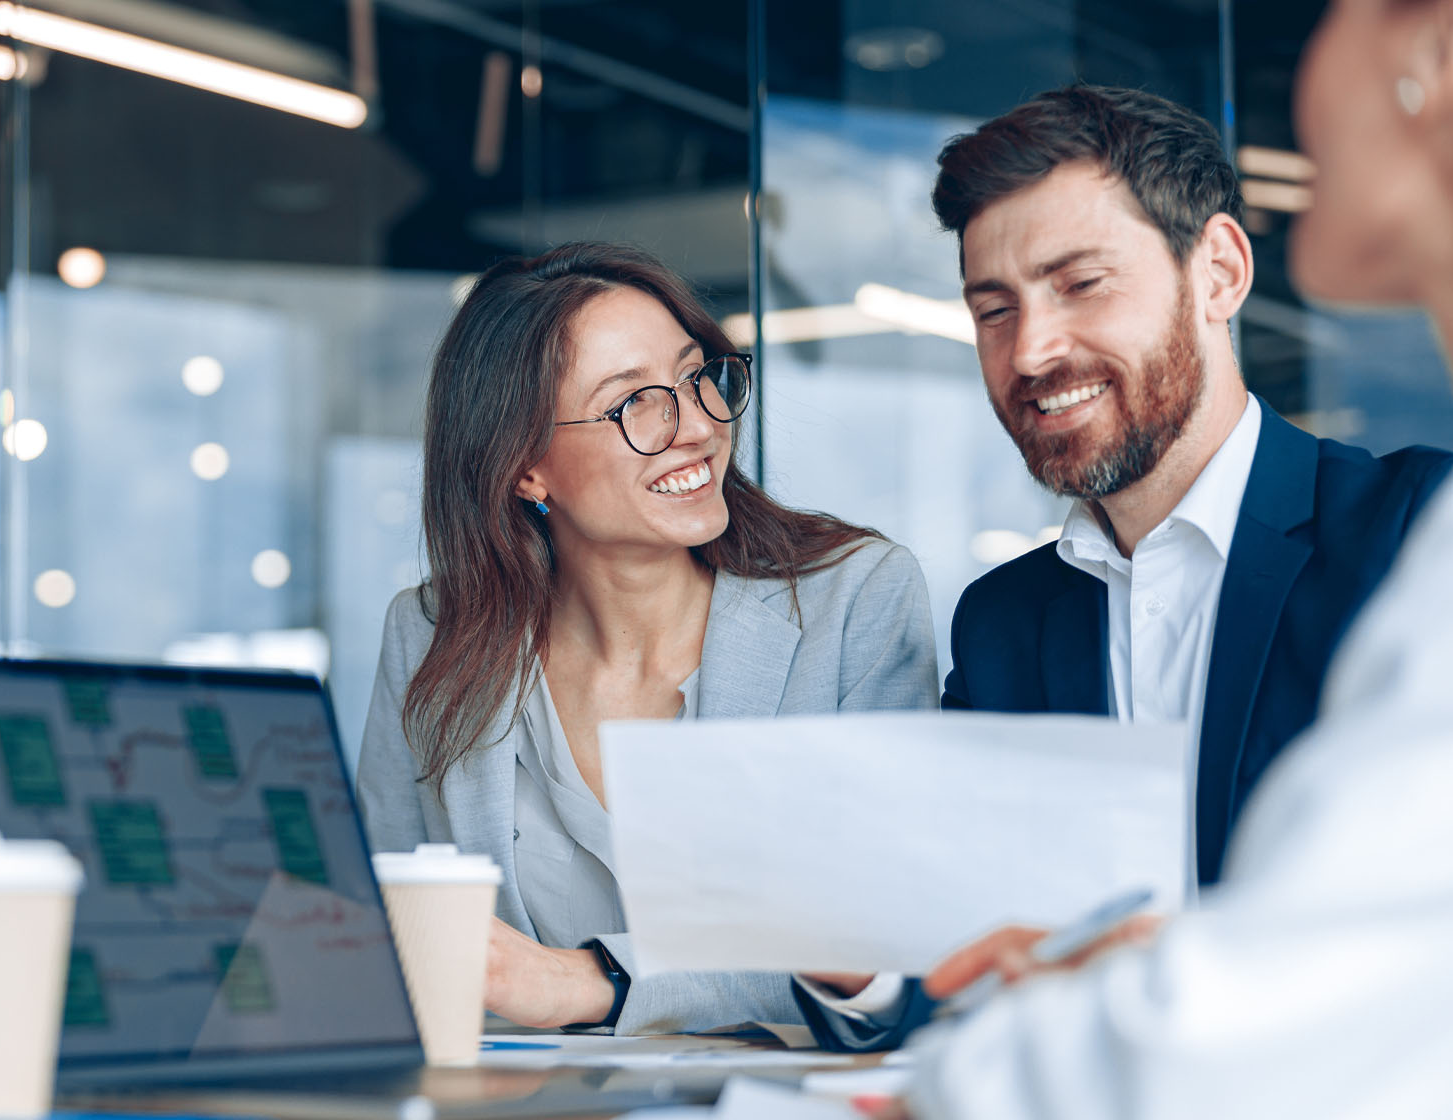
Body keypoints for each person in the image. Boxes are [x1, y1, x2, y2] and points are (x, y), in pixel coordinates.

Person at [797, 82, 1453, 1055]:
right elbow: (963, 960)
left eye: (1080, 283)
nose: (1030, 349)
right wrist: (866, 961)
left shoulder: (1412, 540)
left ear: (1219, 272)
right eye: (992, 308)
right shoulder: (1003, 623)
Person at [356, 242, 939, 1036]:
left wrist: (595, 981)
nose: (697, 427)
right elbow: (385, 934)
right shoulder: (431, 636)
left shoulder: (854, 601)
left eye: (697, 377)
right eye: (635, 403)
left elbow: (887, 959)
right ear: (526, 467)